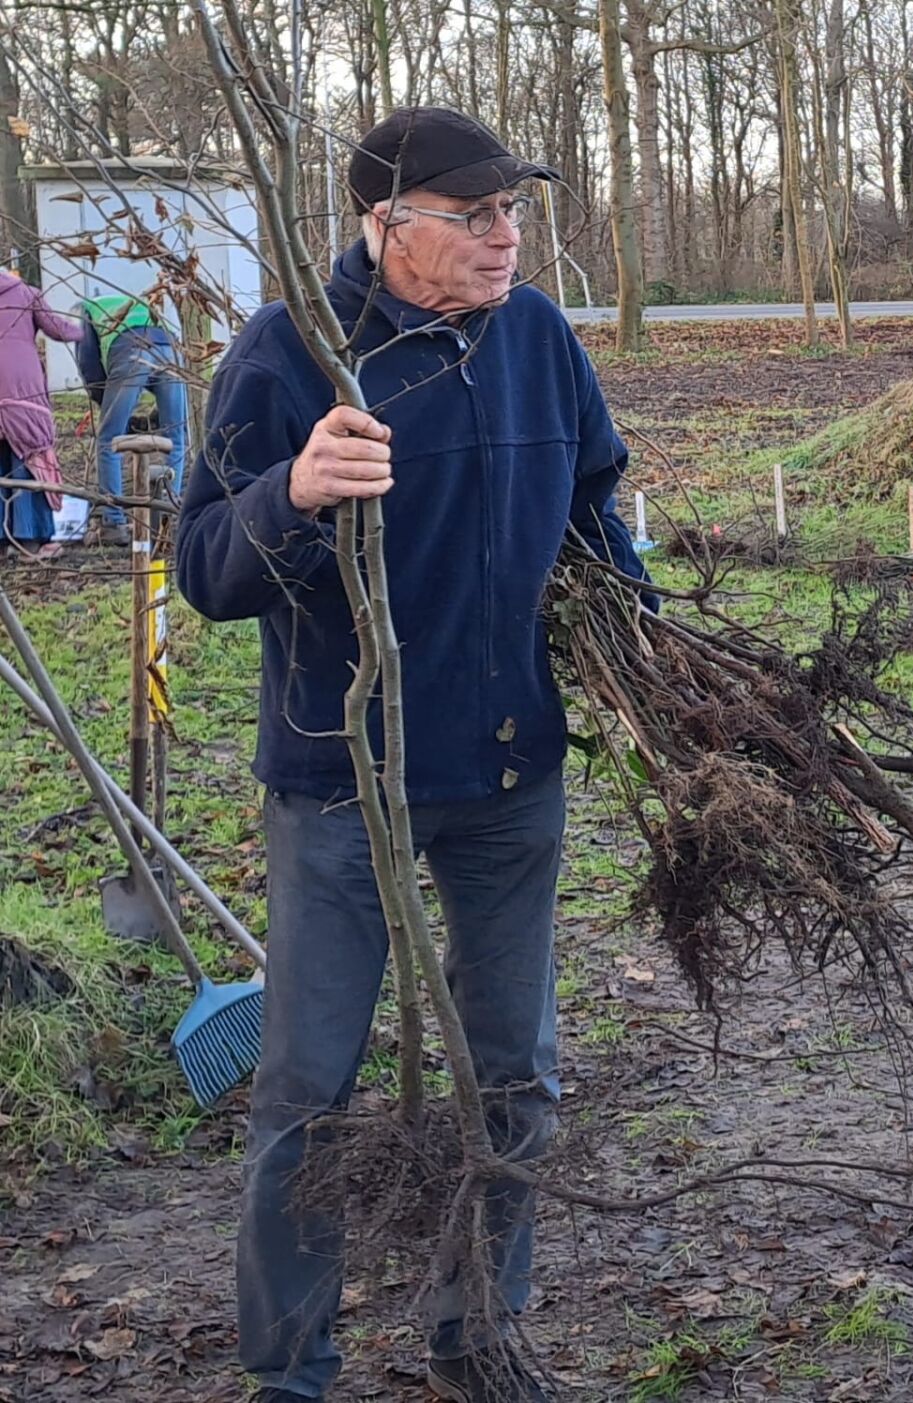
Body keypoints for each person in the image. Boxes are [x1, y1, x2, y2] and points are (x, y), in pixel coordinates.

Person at [176, 106, 650, 1403]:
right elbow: (204, 568)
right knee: (308, 1091)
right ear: (384, 225)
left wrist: (643, 644)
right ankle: (290, 1369)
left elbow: (595, 506)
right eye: (474, 215)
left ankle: (477, 1334)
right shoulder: (291, 354)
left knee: (517, 1076)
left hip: (508, 772)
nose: (506, 237)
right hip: (342, 782)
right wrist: (292, 492)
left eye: (514, 212)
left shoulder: (538, 337)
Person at [75, 292, 189, 544]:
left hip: (132, 351)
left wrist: (106, 406)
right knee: (176, 436)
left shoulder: (88, 309)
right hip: (170, 352)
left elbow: (89, 364)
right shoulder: (139, 303)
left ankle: (113, 523)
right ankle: (167, 519)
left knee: (109, 439)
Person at [0, 268, 82, 559]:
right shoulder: (25, 292)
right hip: (22, 388)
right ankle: (30, 540)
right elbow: (59, 330)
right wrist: (86, 328)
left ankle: (2, 541)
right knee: (31, 457)